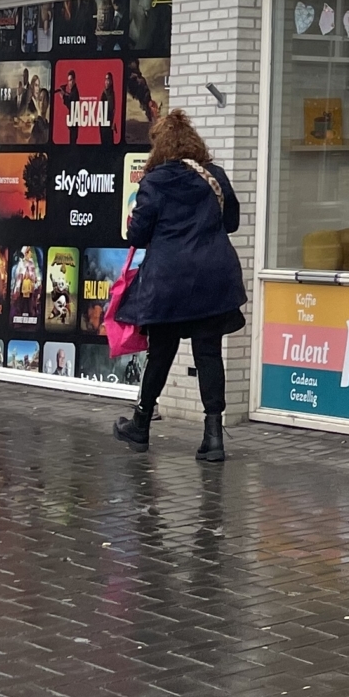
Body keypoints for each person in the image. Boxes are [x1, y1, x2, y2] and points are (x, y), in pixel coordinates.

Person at [111, 110, 247, 461]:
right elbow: (230, 222)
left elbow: (137, 234)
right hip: (213, 278)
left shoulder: (156, 180)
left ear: (161, 146)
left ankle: (141, 425)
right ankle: (213, 436)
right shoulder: (213, 176)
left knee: (161, 353)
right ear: (194, 143)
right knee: (209, 354)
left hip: (169, 280)